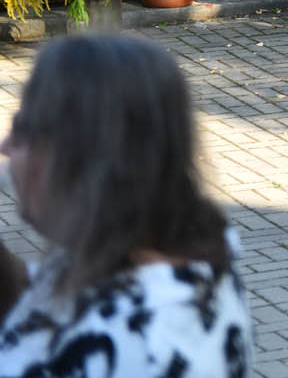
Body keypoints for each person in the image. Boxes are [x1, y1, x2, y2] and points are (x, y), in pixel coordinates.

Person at [0, 33, 254, 374]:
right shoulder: (194, 252)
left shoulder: (129, 347)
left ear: (78, 160)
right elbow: (47, 303)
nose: (6, 146)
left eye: (22, 128)